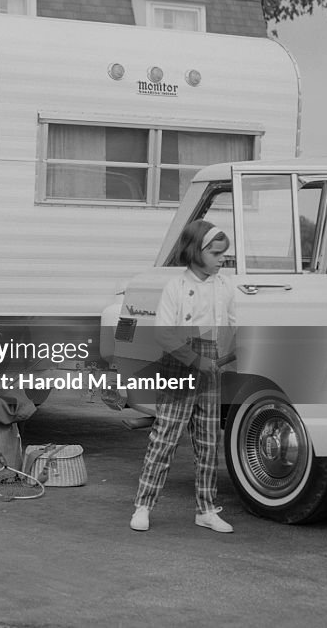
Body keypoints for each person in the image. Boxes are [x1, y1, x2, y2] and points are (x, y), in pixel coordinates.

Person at [130, 220, 237, 533]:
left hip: (213, 367)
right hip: (181, 366)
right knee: (165, 437)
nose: (222, 260)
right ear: (195, 251)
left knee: (208, 441)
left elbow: (232, 325)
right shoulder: (176, 287)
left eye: (224, 255)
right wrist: (196, 359)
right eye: (216, 254)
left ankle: (206, 509)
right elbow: (163, 334)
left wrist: (229, 355)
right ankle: (144, 505)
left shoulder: (225, 286)